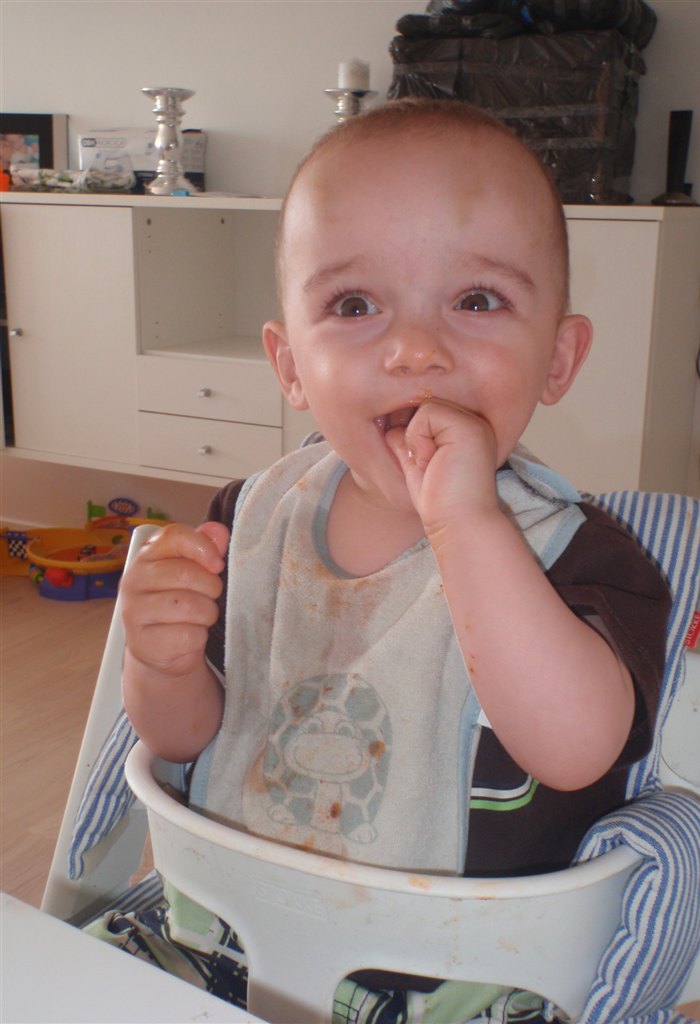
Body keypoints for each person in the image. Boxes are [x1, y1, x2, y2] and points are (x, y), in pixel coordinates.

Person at [110, 99, 671, 1023]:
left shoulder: (581, 556)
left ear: (559, 358)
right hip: (218, 945)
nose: (416, 350)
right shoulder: (254, 520)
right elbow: (187, 739)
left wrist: (468, 526)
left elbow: (575, 751)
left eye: (476, 301)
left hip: (453, 989)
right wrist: (158, 664)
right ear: (290, 366)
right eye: (355, 305)